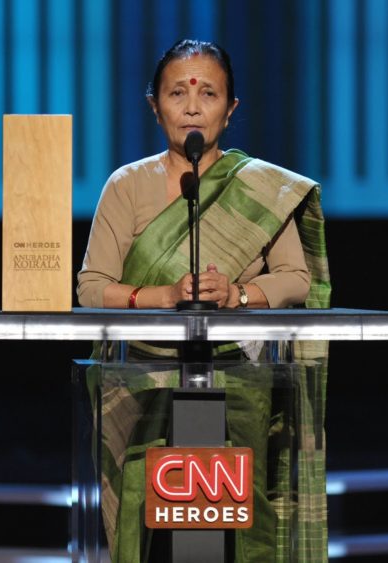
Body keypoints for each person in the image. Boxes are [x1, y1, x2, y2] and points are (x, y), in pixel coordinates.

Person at [77, 39, 331, 562]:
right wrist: (164, 296)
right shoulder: (126, 186)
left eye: (209, 93)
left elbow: (296, 279)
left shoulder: (261, 189)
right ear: (155, 105)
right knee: (143, 532)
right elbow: (91, 286)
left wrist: (238, 294)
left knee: (243, 533)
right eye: (177, 93)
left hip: (238, 378)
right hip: (141, 381)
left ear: (230, 109)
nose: (192, 106)